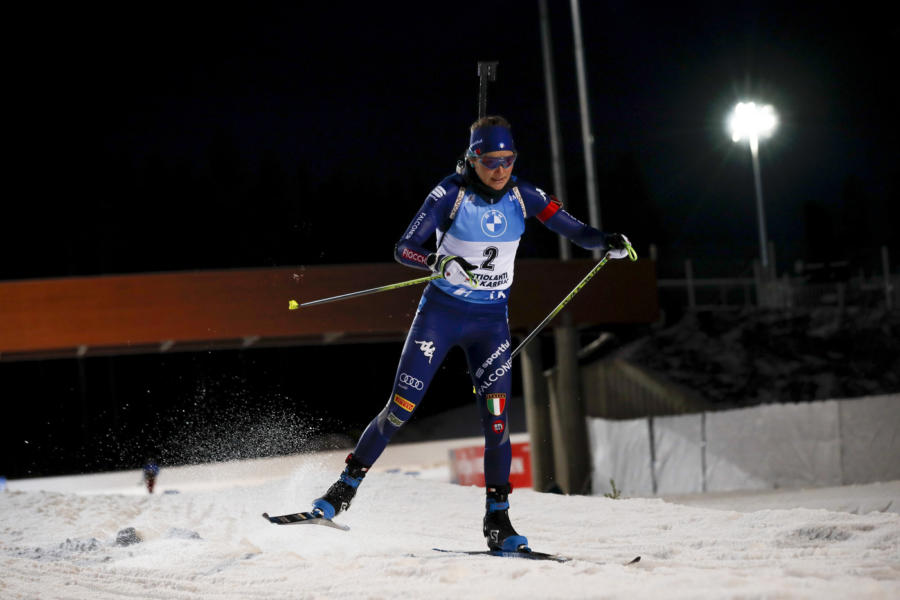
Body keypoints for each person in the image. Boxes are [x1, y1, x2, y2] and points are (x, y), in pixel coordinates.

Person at [311, 115, 633, 551]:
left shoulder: (524, 195)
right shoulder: (450, 194)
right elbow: (404, 247)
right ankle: (341, 491)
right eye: (491, 161)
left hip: (490, 324)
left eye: (508, 159)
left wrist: (607, 240)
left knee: (497, 421)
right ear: (472, 158)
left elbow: (576, 231)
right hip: (440, 316)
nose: (501, 170)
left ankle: (498, 521)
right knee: (401, 408)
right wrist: (436, 262)